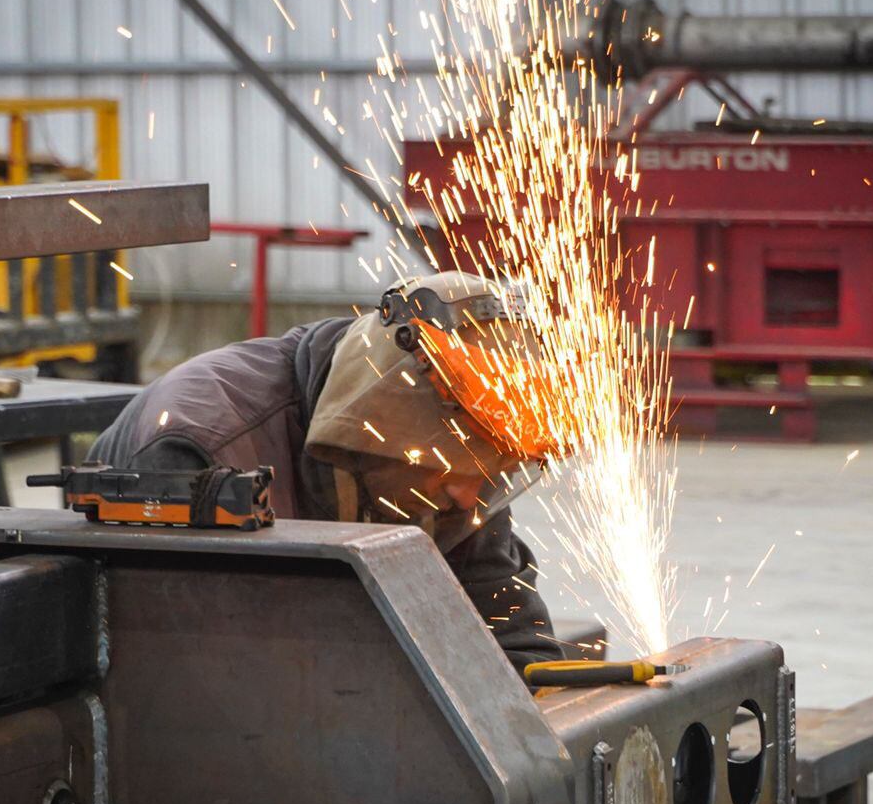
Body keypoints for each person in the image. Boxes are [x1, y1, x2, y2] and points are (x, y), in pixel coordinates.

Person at [89, 271, 565, 671]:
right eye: (457, 472)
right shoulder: (200, 453)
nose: (469, 497)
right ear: (383, 426)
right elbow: (192, 688)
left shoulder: (456, 475)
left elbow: (515, 650)